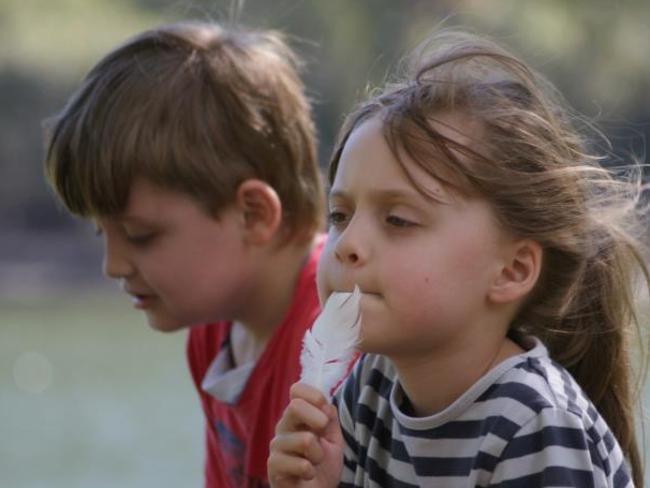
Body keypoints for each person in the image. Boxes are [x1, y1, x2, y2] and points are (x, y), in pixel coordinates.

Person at [267, 30, 649, 487]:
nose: (348, 243)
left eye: (399, 220)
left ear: (512, 270)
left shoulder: (534, 424)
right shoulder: (371, 389)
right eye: (340, 214)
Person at [44, 21, 325, 488]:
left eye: (140, 235)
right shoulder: (213, 331)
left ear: (252, 214)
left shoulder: (334, 350)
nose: (112, 265)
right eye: (102, 233)